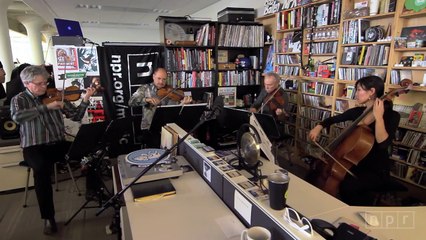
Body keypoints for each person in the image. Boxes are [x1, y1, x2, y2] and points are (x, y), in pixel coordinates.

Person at [10, 65, 96, 234]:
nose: (44, 86)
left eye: (45, 82)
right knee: (41, 171)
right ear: (27, 84)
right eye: (39, 84)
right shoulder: (19, 99)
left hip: (57, 144)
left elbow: (77, 116)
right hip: (34, 147)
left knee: (91, 153)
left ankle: (93, 191)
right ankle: (48, 218)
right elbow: (17, 117)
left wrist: (86, 98)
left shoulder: (55, 95)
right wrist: (46, 107)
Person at [308, 76, 400, 206]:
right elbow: (333, 119)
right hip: (353, 162)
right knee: (314, 168)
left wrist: (379, 118)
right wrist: (319, 127)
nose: (355, 94)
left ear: (371, 91)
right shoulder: (358, 112)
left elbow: (383, 144)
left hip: (373, 167)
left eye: (359, 90)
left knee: (348, 186)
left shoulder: (391, 115)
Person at [128, 68, 192, 147]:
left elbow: (173, 109)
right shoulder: (145, 88)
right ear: (153, 76)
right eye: (159, 78)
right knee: (155, 147)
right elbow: (131, 102)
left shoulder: (170, 90)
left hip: (168, 126)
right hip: (149, 127)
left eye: (164, 79)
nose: (161, 82)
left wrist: (182, 103)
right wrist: (147, 99)